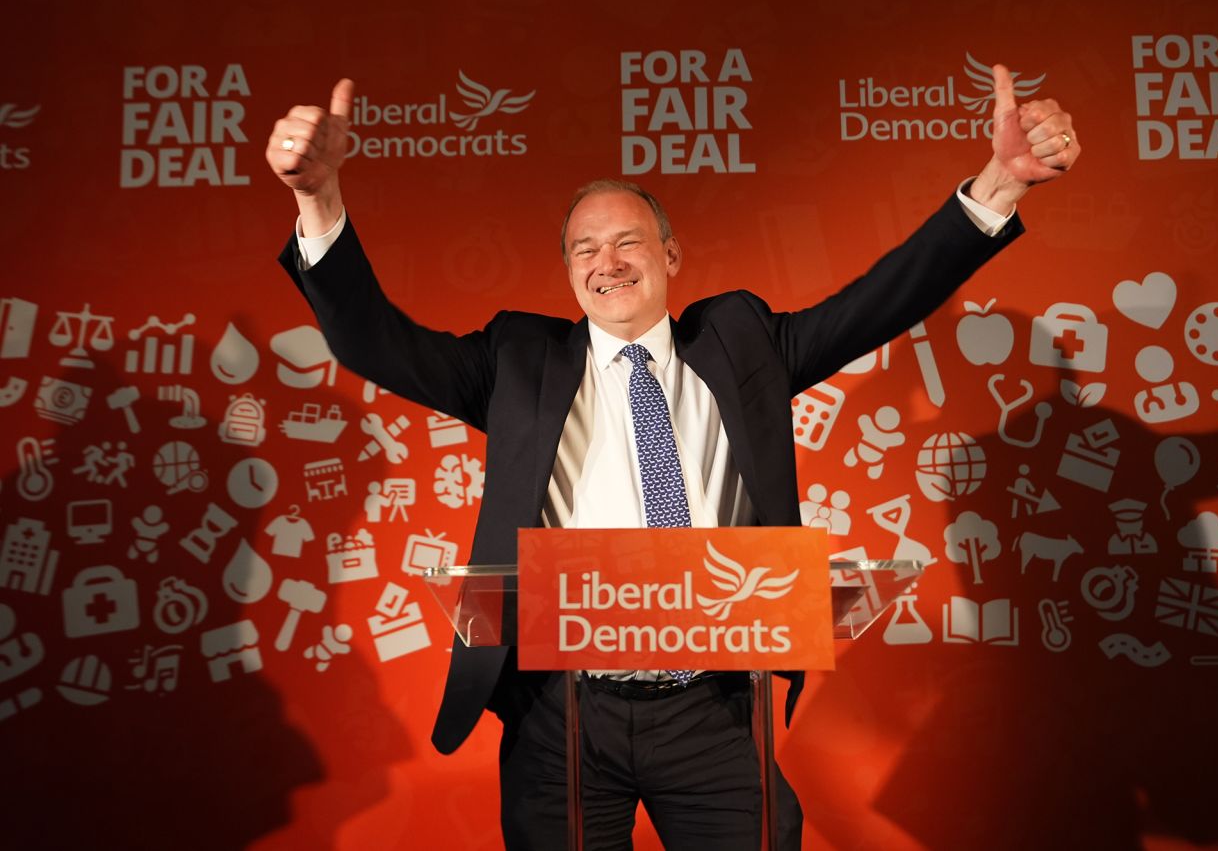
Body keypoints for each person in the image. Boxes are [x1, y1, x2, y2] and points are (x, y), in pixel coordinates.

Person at [267, 66, 1078, 849]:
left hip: (711, 707)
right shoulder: (516, 359)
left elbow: (880, 300)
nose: (607, 263)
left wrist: (998, 186)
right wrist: (318, 197)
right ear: (568, 270)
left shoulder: (741, 342)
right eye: (585, 249)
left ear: (671, 255)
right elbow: (376, 341)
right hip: (559, 712)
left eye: (627, 242)